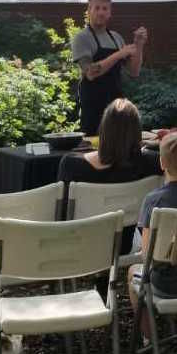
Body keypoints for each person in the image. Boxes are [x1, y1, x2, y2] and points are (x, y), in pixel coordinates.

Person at [59, 97, 161, 252]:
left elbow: (62, 214)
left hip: (79, 248)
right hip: (122, 247)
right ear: (136, 132)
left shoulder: (71, 165)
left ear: (103, 129)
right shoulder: (151, 163)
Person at [127, 131, 177, 340]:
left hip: (166, 284)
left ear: (162, 163)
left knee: (133, 270)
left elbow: (147, 256)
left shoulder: (153, 201)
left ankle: (150, 336)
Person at [71, 0, 148, 135]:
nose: (101, 12)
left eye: (105, 8)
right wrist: (118, 54)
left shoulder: (116, 37)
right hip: (93, 111)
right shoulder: (81, 38)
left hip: (116, 109)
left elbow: (134, 71)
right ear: (89, 11)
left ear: (110, 12)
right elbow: (91, 73)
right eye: (97, 8)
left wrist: (139, 45)